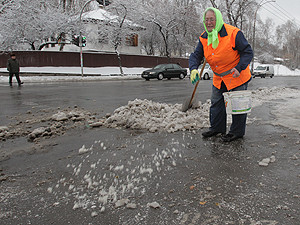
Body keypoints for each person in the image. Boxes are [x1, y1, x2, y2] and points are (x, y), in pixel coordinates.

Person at [189, 7, 253, 142]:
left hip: (236, 74)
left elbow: (247, 52)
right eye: (206, 20)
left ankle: (236, 132)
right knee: (216, 103)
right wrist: (193, 68)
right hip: (219, 76)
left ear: (218, 20)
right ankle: (217, 128)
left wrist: (239, 68)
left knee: (237, 105)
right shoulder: (204, 37)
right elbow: (196, 55)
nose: (209, 22)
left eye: (212, 19)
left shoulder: (233, 33)